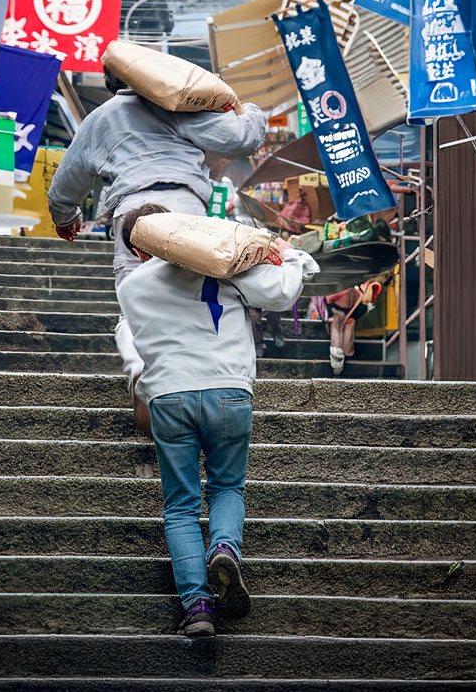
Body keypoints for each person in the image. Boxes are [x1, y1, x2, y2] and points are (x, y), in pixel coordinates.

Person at [115, 204, 320, 637]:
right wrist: (293, 256)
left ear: (137, 249)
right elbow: (281, 293)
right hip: (229, 390)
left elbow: (133, 340)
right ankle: (224, 547)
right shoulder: (222, 264)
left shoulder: (130, 287)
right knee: (226, 486)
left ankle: (198, 608)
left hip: (168, 396)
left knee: (180, 507)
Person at [47, 68, 268, 288]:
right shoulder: (178, 106)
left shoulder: (99, 117)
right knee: (186, 289)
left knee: (135, 292)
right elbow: (241, 139)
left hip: (130, 210)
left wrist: (65, 217)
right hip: (185, 205)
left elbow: (67, 179)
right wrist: (249, 111)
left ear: (109, 79)